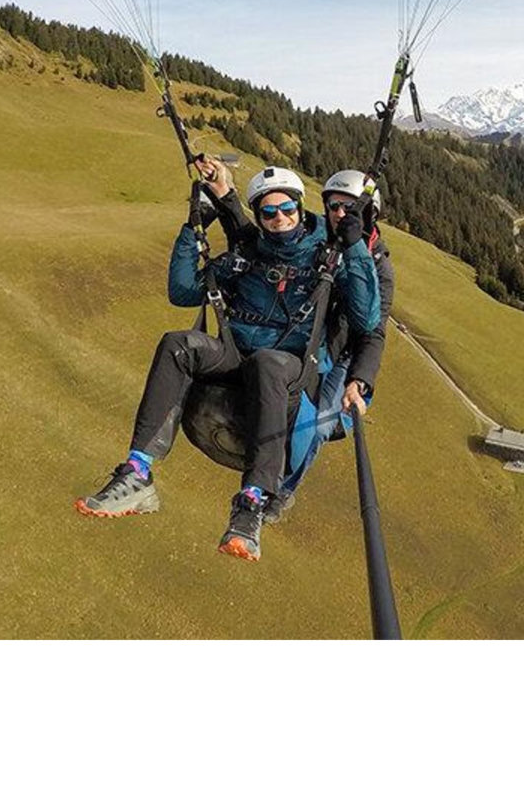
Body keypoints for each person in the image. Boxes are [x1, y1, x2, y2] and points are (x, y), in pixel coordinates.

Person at [75, 165, 381, 562]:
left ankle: (252, 502)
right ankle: (138, 471)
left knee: (268, 363)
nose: (279, 219)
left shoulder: (328, 257)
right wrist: (193, 229)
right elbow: (183, 291)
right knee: (177, 345)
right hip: (237, 356)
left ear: (300, 207)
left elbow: (368, 320)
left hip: (290, 368)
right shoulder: (247, 255)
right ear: (258, 217)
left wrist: (355, 248)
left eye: (287, 209)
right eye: (268, 213)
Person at [207, 164, 396, 524]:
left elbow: (372, 331)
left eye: (349, 207)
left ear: (369, 213)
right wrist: (225, 197)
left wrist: (360, 379)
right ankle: (262, 467)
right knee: (289, 400)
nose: (339, 214)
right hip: (313, 347)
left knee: (321, 424)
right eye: (333, 206)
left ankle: (282, 490)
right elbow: (257, 243)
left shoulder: (378, 266)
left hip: (345, 354)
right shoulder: (318, 242)